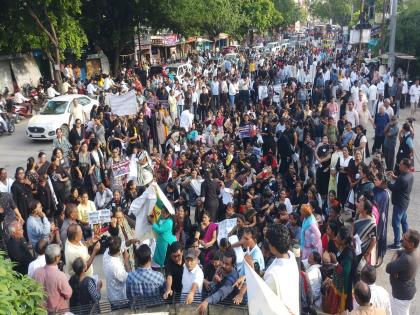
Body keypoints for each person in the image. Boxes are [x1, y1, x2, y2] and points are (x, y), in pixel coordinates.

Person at [386, 229, 420, 315]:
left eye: (404, 239)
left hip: (401, 296)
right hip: (406, 291)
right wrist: (397, 255)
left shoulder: (407, 259)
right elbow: (399, 251)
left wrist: (394, 262)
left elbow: (388, 267)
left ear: (411, 244)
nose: (401, 240)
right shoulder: (414, 250)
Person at [323, 227, 355, 313]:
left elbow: (345, 272)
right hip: (337, 284)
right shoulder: (342, 247)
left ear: (344, 241)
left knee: (340, 310)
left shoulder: (348, 254)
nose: (335, 238)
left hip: (343, 288)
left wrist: (335, 262)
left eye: (338, 237)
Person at [196, 249, 239, 313]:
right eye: (223, 262)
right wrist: (213, 281)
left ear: (232, 265)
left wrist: (207, 300)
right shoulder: (220, 269)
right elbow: (213, 287)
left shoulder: (233, 276)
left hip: (228, 309)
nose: (223, 265)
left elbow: (222, 292)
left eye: (227, 264)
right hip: (216, 305)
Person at [33, 244, 72, 313]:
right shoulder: (60, 275)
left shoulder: (36, 272)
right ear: (57, 258)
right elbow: (68, 294)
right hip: (59, 311)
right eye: (60, 255)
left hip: (42, 311)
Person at [387, 158, 414, 249]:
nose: (399, 165)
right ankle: (407, 239)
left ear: (405, 166)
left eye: (401, 164)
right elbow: (401, 183)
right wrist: (395, 177)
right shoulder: (410, 175)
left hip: (399, 203)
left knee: (396, 223)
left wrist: (387, 182)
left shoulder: (402, 178)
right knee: (403, 221)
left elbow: (394, 188)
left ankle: (397, 243)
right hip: (405, 203)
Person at [102, 236, 130, 307]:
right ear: (119, 250)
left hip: (112, 296)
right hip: (120, 300)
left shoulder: (106, 253)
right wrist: (126, 261)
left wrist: (131, 241)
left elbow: (121, 245)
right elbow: (129, 278)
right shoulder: (116, 266)